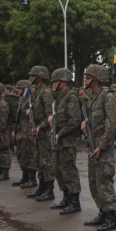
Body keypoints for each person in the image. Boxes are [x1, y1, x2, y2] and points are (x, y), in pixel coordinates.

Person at [82, 64, 116, 231]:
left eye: (88, 77)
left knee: (104, 182)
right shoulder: (91, 99)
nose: (85, 80)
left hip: (103, 149)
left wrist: (102, 145)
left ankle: (111, 217)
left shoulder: (107, 96)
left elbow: (112, 124)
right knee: (93, 182)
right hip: (93, 147)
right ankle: (102, 213)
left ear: (96, 80)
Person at [49, 68, 83, 214]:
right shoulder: (60, 98)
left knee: (69, 170)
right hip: (59, 140)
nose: (53, 84)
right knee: (58, 170)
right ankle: (66, 197)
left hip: (67, 141)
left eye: (56, 81)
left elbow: (75, 120)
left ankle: (74, 201)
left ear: (63, 81)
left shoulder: (71, 97)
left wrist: (61, 133)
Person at [26, 65, 56, 202]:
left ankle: (49, 189)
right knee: (39, 161)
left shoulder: (45, 92)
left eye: (32, 75)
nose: (30, 77)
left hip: (44, 133)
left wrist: (41, 126)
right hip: (37, 132)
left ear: (39, 77)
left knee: (46, 161)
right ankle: (42, 186)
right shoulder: (35, 92)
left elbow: (50, 115)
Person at [11, 80, 37, 188]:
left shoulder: (31, 100)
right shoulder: (22, 100)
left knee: (29, 155)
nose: (17, 90)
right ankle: (25, 177)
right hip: (21, 131)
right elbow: (18, 118)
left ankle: (32, 179)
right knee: (22, 155)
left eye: (19, 88)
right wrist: (15, 130)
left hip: (28, 132)